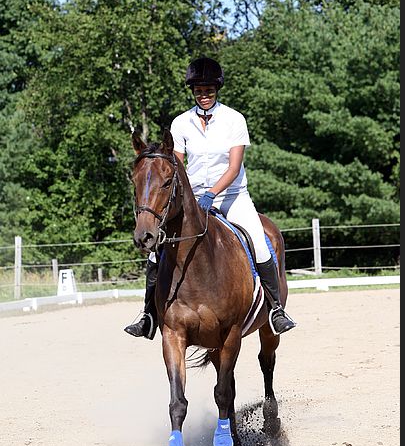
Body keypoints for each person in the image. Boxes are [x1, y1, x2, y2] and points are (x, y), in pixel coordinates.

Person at [124, 57, 296, 338]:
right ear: (193, 92)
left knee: (260, 242)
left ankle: (276, 309)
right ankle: (148, 315)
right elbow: (173, 165)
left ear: (217, 91)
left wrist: (212, 194)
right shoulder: (181, 123)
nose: (204, 96)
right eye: (199, 91)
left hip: (231, 196)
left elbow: (234, 166)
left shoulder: (234, 120)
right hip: (192, 200)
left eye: (209, 91)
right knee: (159, 251)